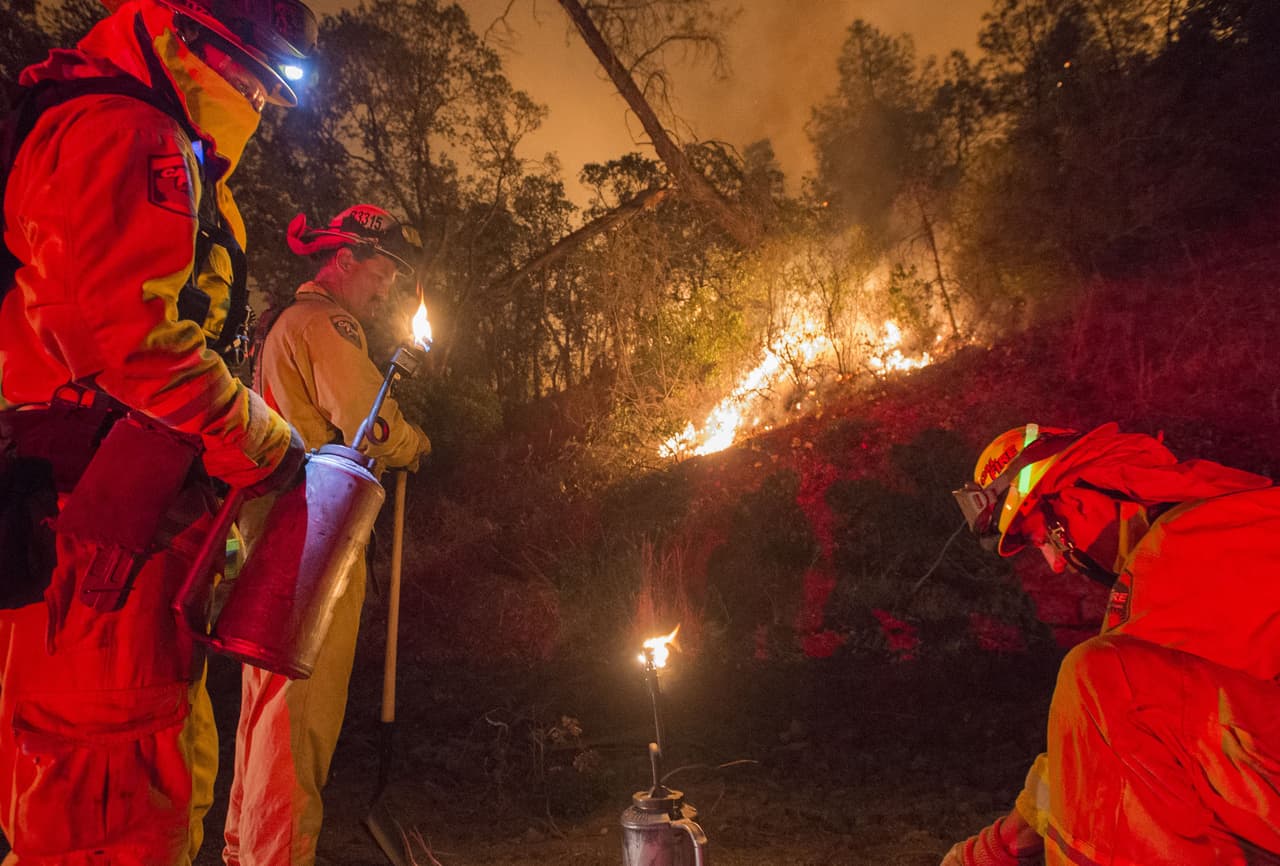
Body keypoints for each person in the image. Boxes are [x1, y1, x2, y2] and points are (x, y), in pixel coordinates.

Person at [0, 0, 317, 862]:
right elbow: (125, 339)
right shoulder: (127, 132)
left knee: (147, 775)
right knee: (111, 800)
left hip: (122, 542)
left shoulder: (135, 131)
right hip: (101, 540)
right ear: (184, 40)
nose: (256, 99)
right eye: (252, 75)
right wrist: (264, 444)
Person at [945, 422, 1280, 865]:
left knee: (1100, 678)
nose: (1055, 563)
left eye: (1044, 536)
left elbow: (1104, 730)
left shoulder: (1187, 542)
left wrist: (993, 849)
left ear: (1077, 499)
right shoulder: (1218, 517)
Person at [223, 204, 431, 866]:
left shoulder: (286, 321)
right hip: (313, 540)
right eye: (381, 275)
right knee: (299, 725)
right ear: (345, 260)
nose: (385, 292)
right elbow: (372, 423)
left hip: (278, 541)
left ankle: (247, 852)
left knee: (267, 719)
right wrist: (415, 443)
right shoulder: (325, 323)